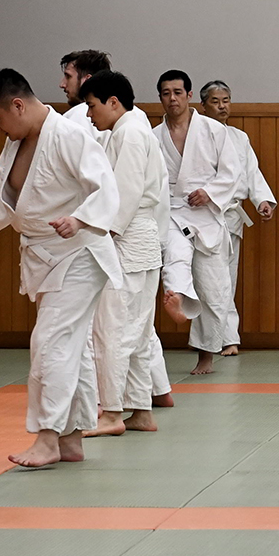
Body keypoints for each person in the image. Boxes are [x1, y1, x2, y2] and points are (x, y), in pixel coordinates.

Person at [0, 69, 121, 467]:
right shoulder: (19, 142)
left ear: (17, 105)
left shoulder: (69, 135)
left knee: (50, 344)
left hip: (78, 253)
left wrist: (79, 220)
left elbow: (106, 188)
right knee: (72, 350)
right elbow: (6, 195)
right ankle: (70, 439)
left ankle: (46, 437)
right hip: (46, 257)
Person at [79, 71, 168, 437]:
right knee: (138, 330)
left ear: (113, 102)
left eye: (92, 105)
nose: (88, 115)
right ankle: (141, 412)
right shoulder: (134, 128)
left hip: (127, 238)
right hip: (141, 240)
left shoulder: (130, 133)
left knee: (112, 328)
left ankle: (113, 412)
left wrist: (103, 233)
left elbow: (126, 193)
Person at [153, 70, 240, 375]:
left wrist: (210, 193)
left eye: (178, 92)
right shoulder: (154, 137)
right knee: (174, 259)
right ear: (160, 97)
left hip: (206, 214)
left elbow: (231, 172)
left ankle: (206, 355)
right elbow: (150, 182)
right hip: (174, 210)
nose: (172, 98)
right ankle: (176, 297)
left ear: (189, 96)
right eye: (166, 93)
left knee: (213, 288)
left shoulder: (214, 130)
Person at [198, 80, 277, 300]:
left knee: (228, 280)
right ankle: (216, 336)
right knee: (210, 283)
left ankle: (227, 335)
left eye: (226, 101)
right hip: (206, 215)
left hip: (232, 216)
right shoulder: (195, 136)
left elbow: (252, 172)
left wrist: (261, 200)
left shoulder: (239, 137)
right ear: (203, 105)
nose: (222, 106)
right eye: (215, 101)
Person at [58, 49, 111, 132]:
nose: (62, 84)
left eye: (68, 76)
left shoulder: (76, 116)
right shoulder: (124, 113)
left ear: (87, 80)